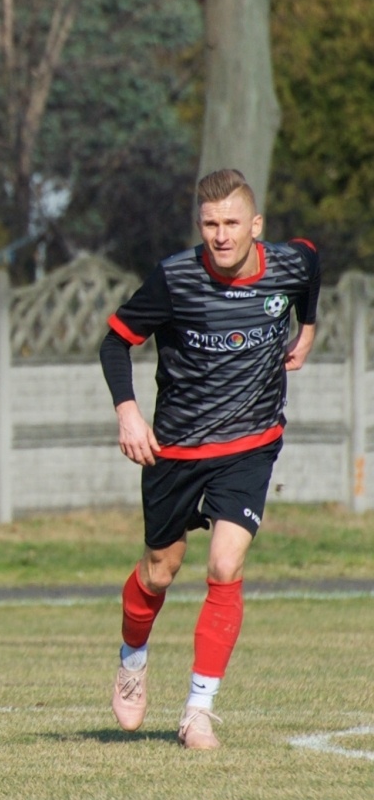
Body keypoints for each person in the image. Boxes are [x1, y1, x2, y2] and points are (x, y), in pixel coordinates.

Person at [99, 168, 319, 750]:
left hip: (249, 444)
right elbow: (115, 339)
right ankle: (132, 658)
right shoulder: (175, 278)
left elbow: (311, 267)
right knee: (159, 570)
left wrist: (310, 328)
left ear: (255, 225)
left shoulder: (290, 266)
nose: (220, 236)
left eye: (231, 223)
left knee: (225, 565)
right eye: (210, 224)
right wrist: (128, 412)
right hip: (174, 448)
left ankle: (198, 710)